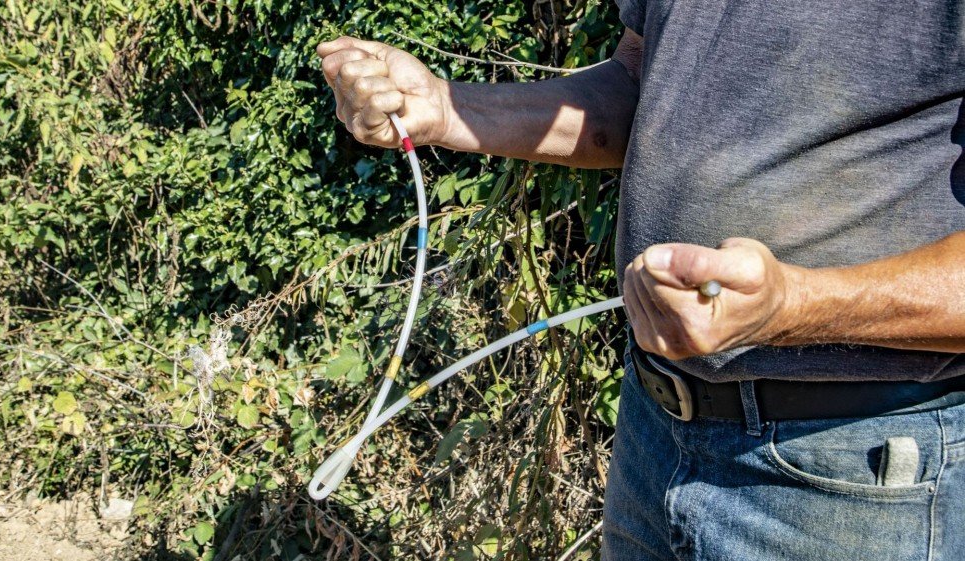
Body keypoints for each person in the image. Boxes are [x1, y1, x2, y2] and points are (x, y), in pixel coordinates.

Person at [316, 0, 965, 557]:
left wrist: (794, 305)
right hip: (655, 429)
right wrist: (449, 109)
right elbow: (642, 83)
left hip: (847, 466)